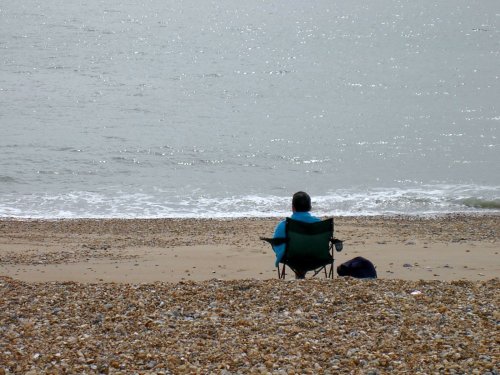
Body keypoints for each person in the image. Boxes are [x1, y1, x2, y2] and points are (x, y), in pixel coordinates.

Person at [272, 191, 321, 279]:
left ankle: (299, 273)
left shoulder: (284, 225)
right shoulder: (319, 224)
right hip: (315, 258)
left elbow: (276, 243)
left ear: (293, 208)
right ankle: (301, 273)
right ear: (310, 207)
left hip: (291, 259)